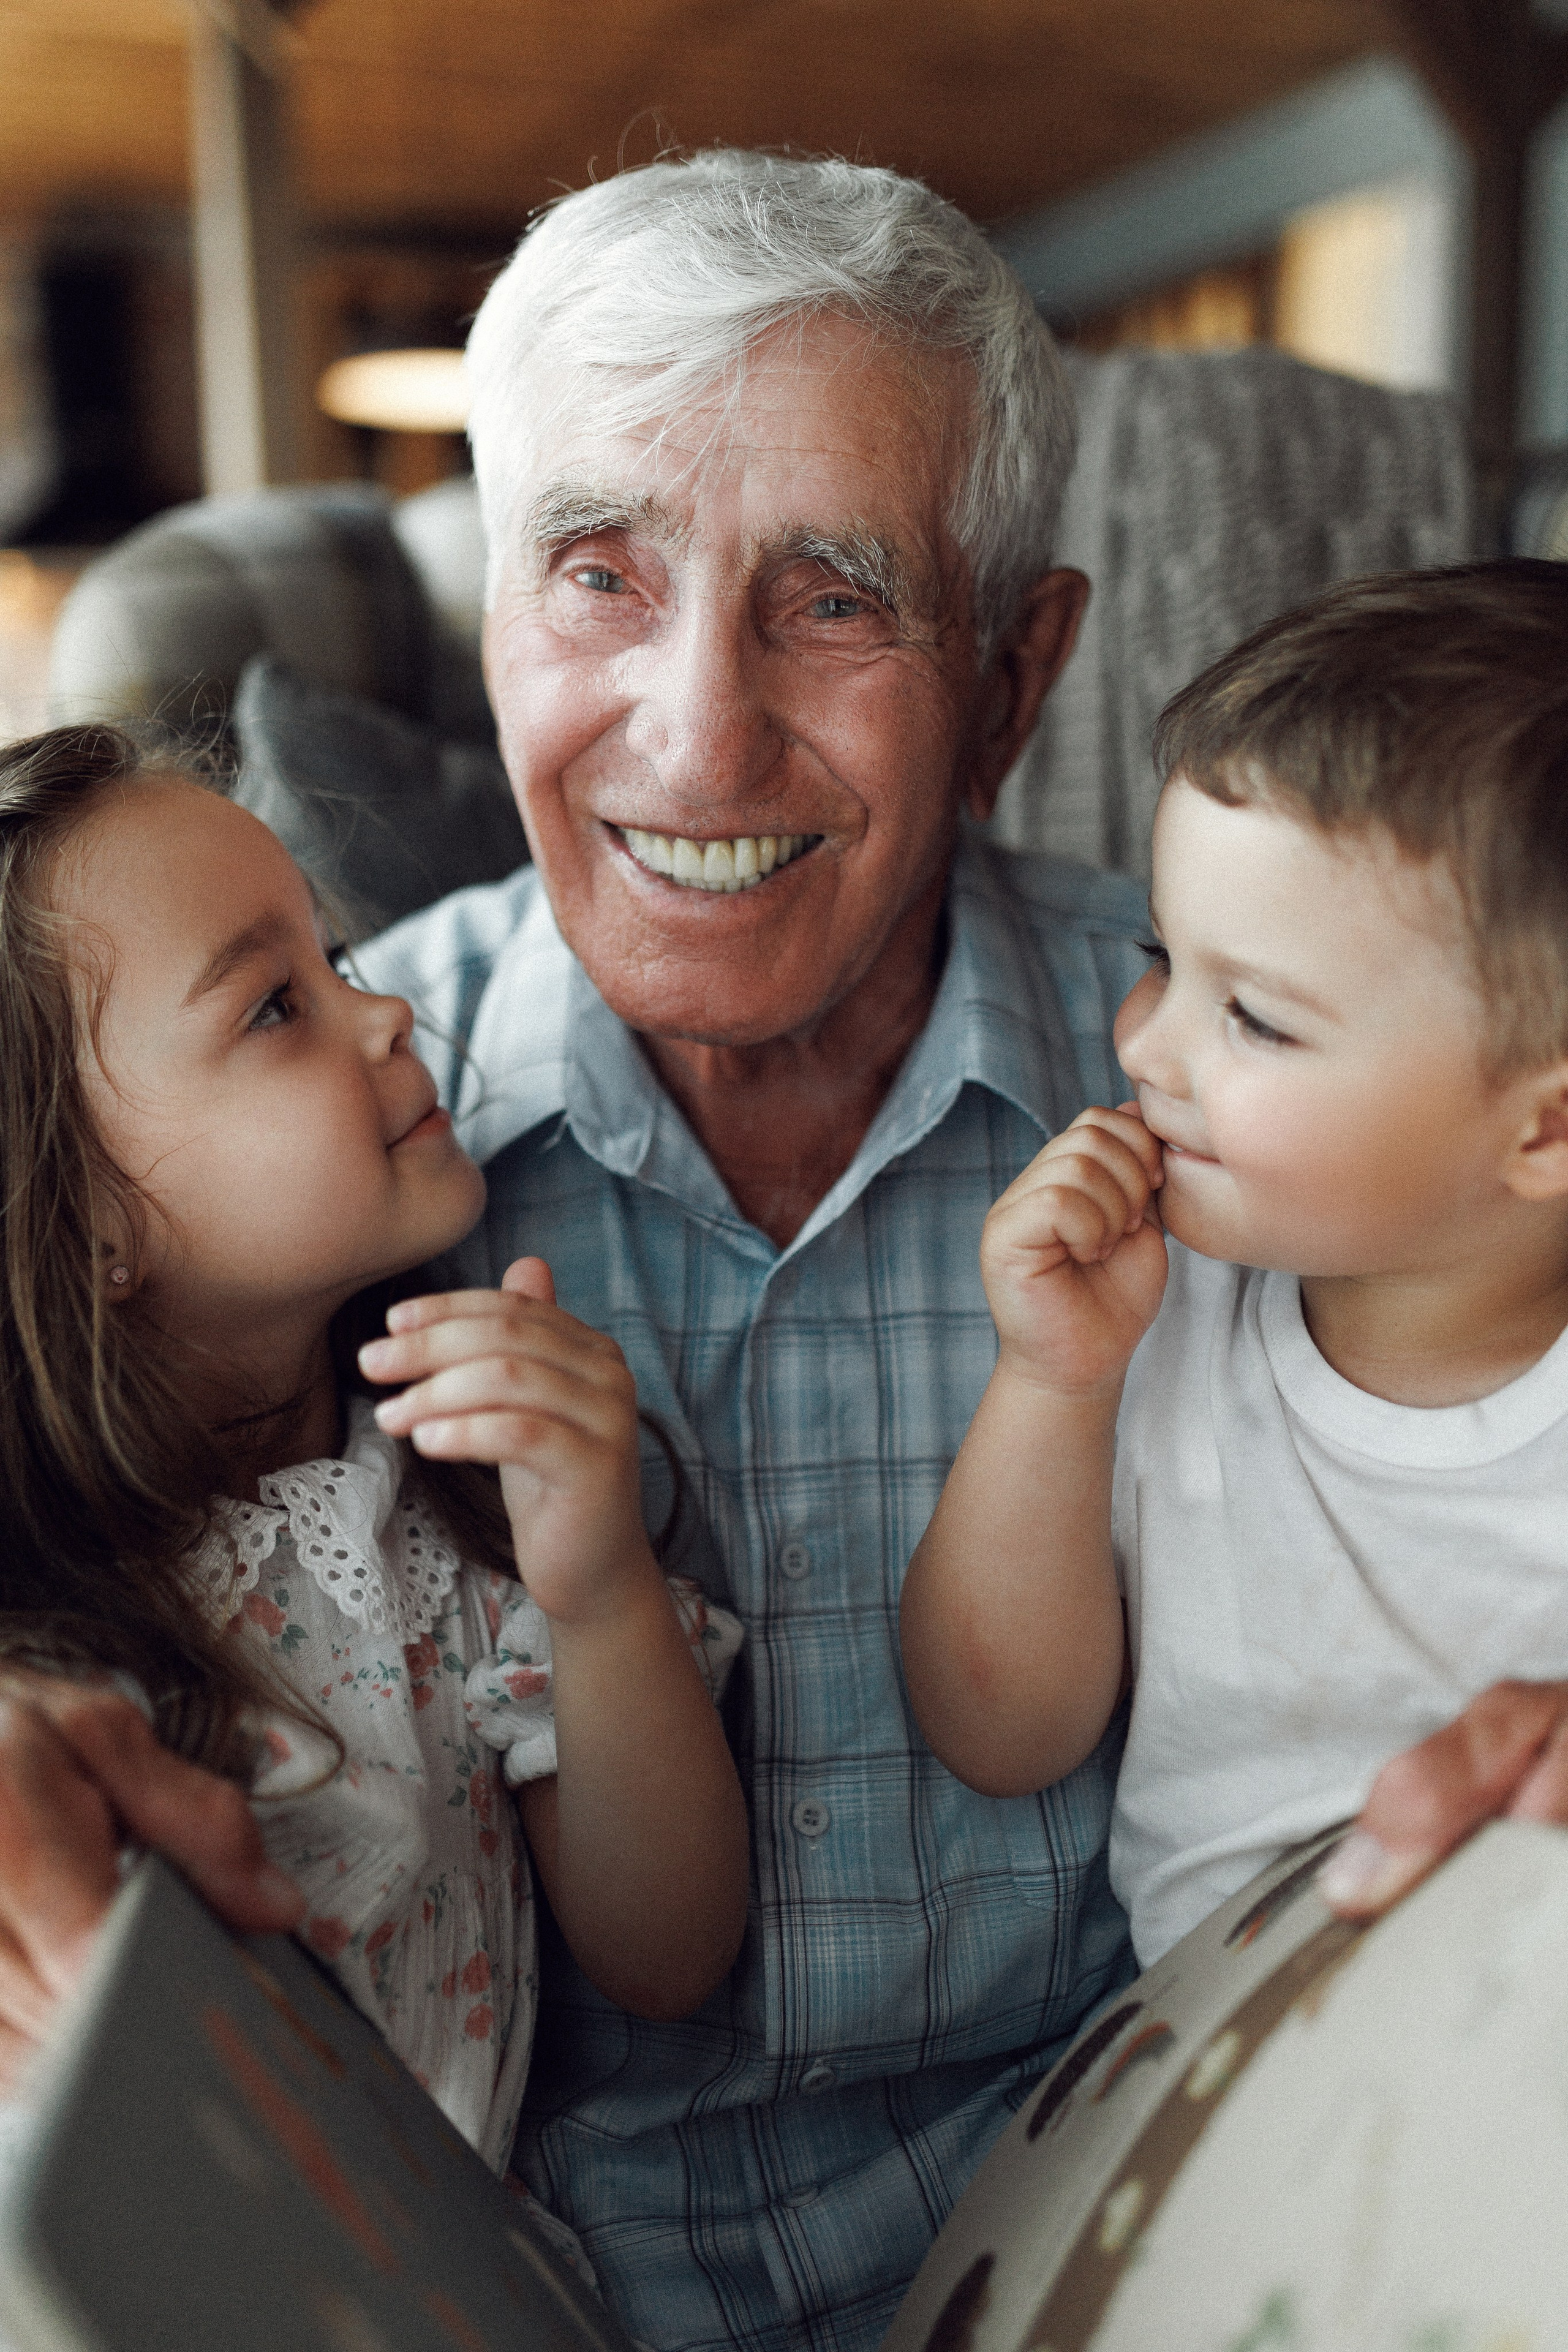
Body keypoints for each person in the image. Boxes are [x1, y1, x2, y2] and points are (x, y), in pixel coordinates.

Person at [3, 157, 1567, 2352]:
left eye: (835, 600)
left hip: (1110, 2229)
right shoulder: (290, 1141)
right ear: (499, 626)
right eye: (599, 576)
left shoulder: (1270, 1065)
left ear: (1014, 679)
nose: (698, 735)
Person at [0, 725, 747, 2231]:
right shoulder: (46, 1628)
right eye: (275, 1005)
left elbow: (668, 1956)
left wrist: (597, 1590)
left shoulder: (443, 1501)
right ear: (90, 1225)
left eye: (332, 956)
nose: (388, 1006)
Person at [902, 561, 1568, 1966]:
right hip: (1235, 2063)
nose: (1142, 1043)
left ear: (1546, 1128)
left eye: (1254, 1019)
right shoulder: (1158, 1316)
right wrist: (1052, 1384)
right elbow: (996, 1736)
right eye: (1162, 957)